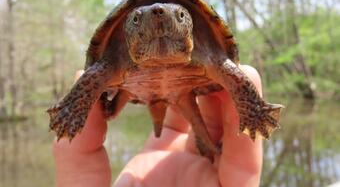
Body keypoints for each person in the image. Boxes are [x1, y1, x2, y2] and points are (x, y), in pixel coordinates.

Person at [53, 65, 263, 187]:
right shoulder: (115, 59)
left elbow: (227, 68)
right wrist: (72, 108)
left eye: (180, 16)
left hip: (180, 85)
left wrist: (254, 109)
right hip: (133, 84)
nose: (158, 16)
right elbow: (95, 73)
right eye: (137, 20)